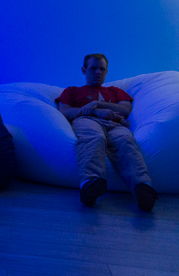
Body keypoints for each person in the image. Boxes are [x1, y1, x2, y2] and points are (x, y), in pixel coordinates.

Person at [56, 54, 158, 211]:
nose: (98, 72)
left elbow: (125, 109)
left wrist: (97, 104)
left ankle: (143, 187)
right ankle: (90, 183)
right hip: (88, 120)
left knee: (125, 141)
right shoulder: (72, 91)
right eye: (93, 68)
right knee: (94, 137)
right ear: (84, 70)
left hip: (115, 124)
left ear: (106, 72)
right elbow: (65, 111)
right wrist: (96, 112)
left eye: (102, 69)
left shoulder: (115, 91)